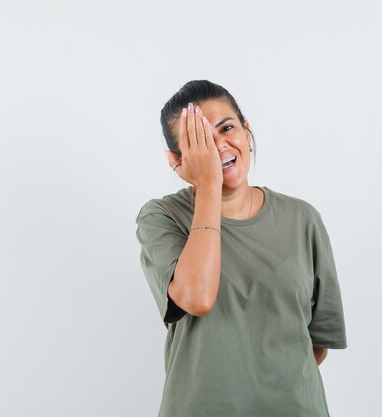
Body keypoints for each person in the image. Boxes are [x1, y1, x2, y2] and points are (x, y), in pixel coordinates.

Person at [135, 80, 347, 417]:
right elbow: (197, 297)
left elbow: (315, 344)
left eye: (227, 128)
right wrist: (208, 185)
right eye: (200, 141)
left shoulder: (302, 218)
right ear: (176, 160)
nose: (218, 146)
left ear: (246, 131)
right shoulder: (161, 217)